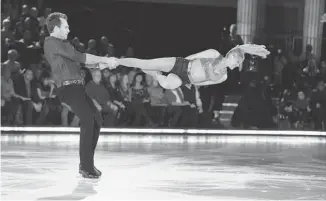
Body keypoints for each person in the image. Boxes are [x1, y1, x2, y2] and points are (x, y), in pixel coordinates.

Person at [43, 12, 117, 179]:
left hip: (77, 88)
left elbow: (81, 64)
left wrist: (104, 64)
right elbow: (80, 57)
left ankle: (86, 163)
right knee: (88, 119)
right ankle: (85, 166)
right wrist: (105, 60)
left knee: (96, 118)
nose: (69, 29)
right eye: (66, 26)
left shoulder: (64, 45)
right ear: (55, 28)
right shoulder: (51, 42)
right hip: (68, 89)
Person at [115, 44, 270, 89]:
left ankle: (155, 74)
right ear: (231, 56)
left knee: (169, 84)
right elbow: (193, 56)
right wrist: (177, 64)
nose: (236, 67)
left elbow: (203, 83)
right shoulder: (214, 53)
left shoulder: (223, 77)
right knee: (144, 64)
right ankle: (117, 61)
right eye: (237, 63)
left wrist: (190, 82)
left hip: (185, 78)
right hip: (180, 64)